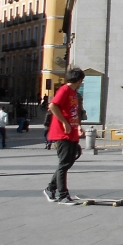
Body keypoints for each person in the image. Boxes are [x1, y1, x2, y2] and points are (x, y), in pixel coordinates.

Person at [43, 69, 86, 205]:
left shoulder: (75, 94)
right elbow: (53, 106)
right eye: (81, 81)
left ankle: (50, 188)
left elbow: (74, 112)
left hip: (72, 131)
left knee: (68, 162)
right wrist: (64, 122)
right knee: (64, 163)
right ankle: (62, 195)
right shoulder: (64, 90)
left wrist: (78, 125)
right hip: (63, 132)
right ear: (79, 80)